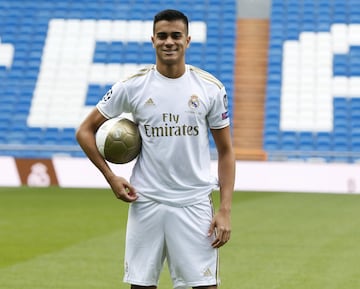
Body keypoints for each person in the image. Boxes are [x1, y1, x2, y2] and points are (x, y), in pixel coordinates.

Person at [76, 9, 235, 289]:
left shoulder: (210, 89)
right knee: (141, 286)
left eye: (176, 36)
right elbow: (84, 131)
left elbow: (226, 151)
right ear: (153, 40)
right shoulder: (133, 86)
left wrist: (224, 209)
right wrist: (111, 177)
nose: (169, 42)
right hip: (146, 201)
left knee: (204, 286)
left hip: (194, 203)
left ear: (188, 40)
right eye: (162, 36)